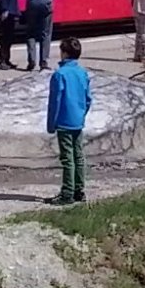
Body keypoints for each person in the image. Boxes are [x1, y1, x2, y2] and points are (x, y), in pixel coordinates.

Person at [45, 36, 92, 206]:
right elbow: (88, 98)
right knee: (78, 155)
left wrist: (51, 124)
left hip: (64, 121)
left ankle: (67, 192)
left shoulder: (60, 75)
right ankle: (79, 190)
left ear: (64, 54)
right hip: (78, 121)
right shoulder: (82, 73)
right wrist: (81, 114)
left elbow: (55, 101)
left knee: (67, 159)